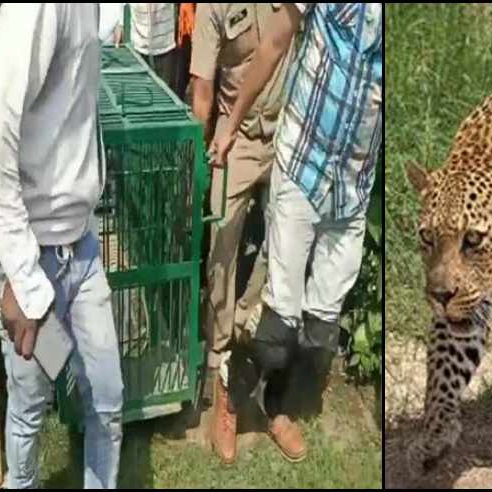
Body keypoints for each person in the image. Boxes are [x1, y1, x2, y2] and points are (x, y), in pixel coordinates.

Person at [211, 3, 383, 463]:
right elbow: (274, 41)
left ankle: (277, 407)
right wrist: (230, 125)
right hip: (302, 167)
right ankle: (227, 392)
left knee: (320, 332)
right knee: (277, 327)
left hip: (352, 185)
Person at [0, 4, 123, 489]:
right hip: (33, 262)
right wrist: (20, 273)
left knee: (107, 399)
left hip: (79, 249)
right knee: (29, 410)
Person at [189, 3, 293, 465]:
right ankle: (221, 373)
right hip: (239, 139)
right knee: (221, 250)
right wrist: (200, 156)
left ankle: (271, 393)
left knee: (288, 253)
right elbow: (204, 88)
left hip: (292, 134)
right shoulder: (214, 7)